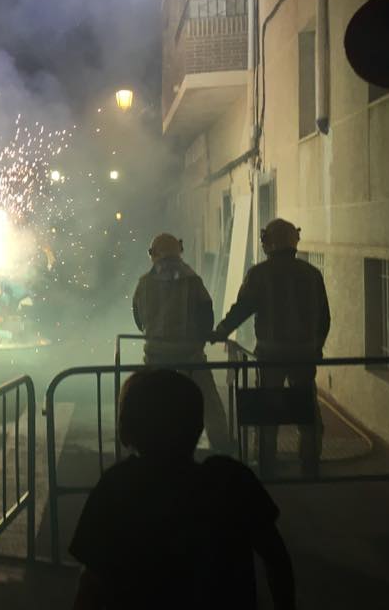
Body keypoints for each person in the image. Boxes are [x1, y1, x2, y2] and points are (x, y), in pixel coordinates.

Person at [69, 370, 295, 610]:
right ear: (197, 426)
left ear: (127, 428)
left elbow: (91, 583)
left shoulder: (117, 486)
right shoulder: (231, 481)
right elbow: (276, 558)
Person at [212, 218, 329, 478]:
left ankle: (267, 464)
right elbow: (324, 318)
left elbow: (242, 308)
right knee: (306, 407)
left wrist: (221, 331)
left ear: (268, 243)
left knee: (268, 409)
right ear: (294, 241)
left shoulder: (259, 274)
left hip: (271, 353)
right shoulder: (312, 274)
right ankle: (310, 464)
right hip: (304, 353)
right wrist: (316, 347)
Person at [132, 233, 231, 454]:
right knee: (208, 402)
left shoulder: (144, 283)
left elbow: (138, 318)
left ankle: (147, 449)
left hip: (156, 355)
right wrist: (203, 335)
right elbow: (206, 315)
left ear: (153, 254)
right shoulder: (193, 280)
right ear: (179, 251)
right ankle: (223, 448)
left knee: (151, 403)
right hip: (190, 356)